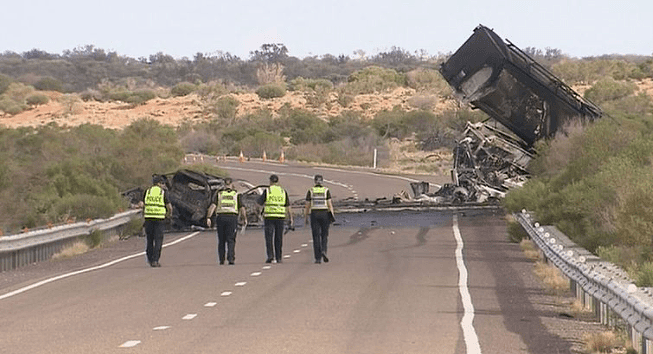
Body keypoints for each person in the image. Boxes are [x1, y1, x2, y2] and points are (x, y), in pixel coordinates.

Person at [206, 177, 247, 265]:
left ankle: (221, 259)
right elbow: (242, 208)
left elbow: (213, 206)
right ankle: (231, 258)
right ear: (232, 184)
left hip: (221, 217)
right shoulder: (236, 194)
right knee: (231, 239)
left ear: (224, 184)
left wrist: (208, 217)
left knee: (221, 240)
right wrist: (244, 218)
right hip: (232, 218)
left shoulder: (219, 194)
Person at [257, 174, 293, 263]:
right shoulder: (282, 191)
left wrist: (259, 213)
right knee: (279, 238)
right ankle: (279, 257)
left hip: (269, 216)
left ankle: (270, 256)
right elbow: (288, 206)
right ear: (277, 181)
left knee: (269, 237)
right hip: (280, 216)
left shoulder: (268, 191)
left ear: (270, 181)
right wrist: (291, 218)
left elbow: (259, 204)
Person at [141, 174, 172, 267]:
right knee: (158, 240)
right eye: (162, 183)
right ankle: (155, 260)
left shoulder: (147, 191)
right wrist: (169, 215)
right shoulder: (163, 192)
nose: (163, 185)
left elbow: (143, 205)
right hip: (159, 219)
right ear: (158, 183)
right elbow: (169, 207)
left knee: (149, 240)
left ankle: (150, 259)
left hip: (148, 218)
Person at [304, 174, 335, 264]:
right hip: (324, 213)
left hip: (314, 214)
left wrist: (306, 217)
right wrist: (332, 216)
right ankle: (324, 251)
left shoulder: (311, 190)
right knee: (324, 235)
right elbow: (330, 204)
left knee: (316, 236)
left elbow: (307, 205)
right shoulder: (326, 190)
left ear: (314, 181)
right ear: (322, 181)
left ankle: (318, 258)